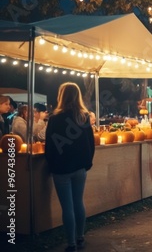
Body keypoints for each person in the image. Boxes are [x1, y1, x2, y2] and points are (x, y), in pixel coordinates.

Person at [45, 82, 95, 252]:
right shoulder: (84, 117)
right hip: (80, 167)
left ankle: (71, 243)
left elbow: (50, 146)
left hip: (61, 168)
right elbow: (90, 143)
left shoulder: (54, 118)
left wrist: (50, 164)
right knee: (78, 202)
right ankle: (80, 237)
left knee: (67, 206)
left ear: (61, 96)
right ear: (78, 96)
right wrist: (88, 162)